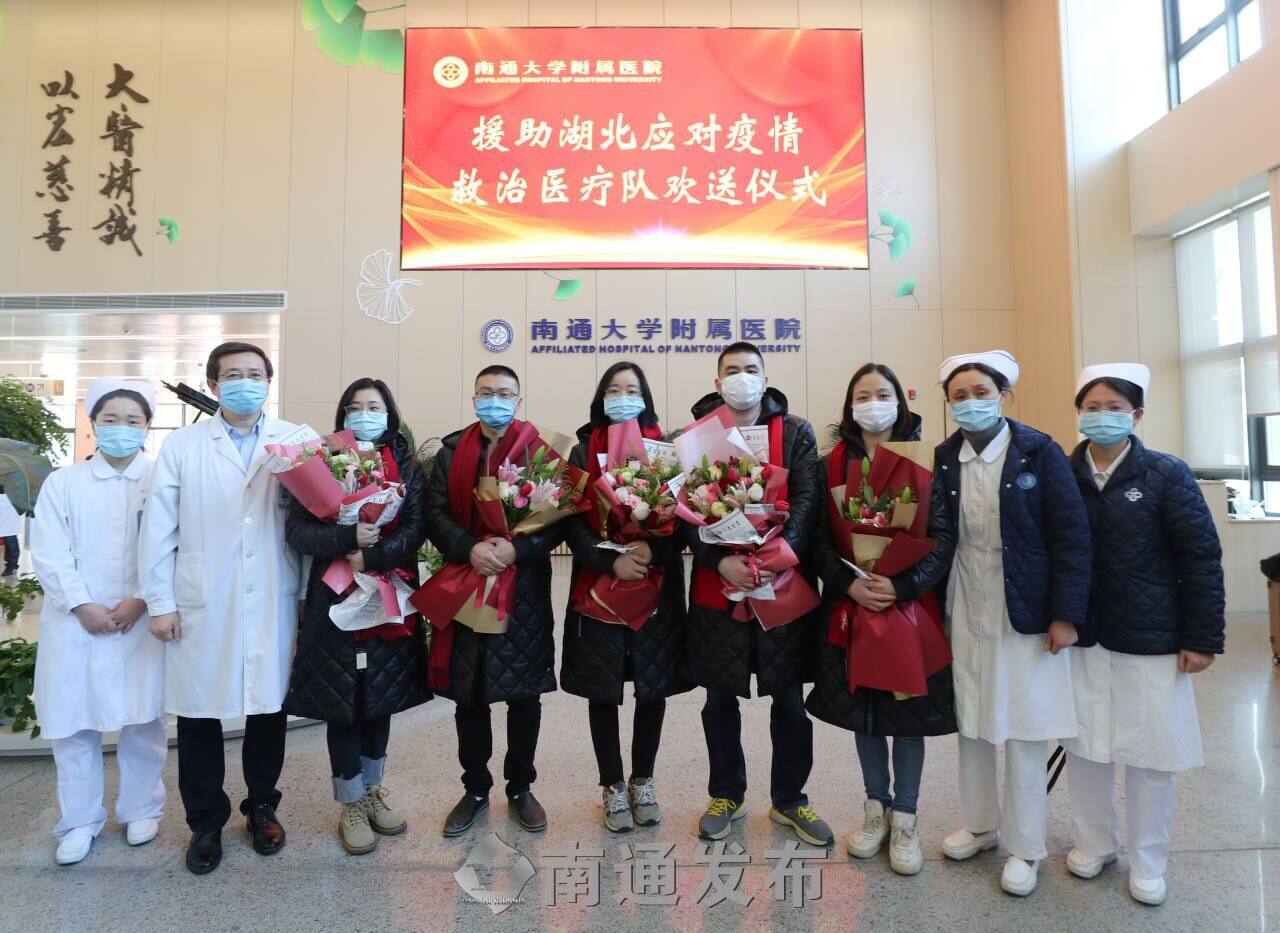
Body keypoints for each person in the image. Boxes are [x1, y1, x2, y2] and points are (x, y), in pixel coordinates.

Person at [912, 350, 1090, 897]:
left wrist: (1065, 615)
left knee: (1025, 726)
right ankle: (980, 825)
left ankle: (1026, 846)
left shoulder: (1039, 451)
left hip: (1025, 602)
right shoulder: (946, 455)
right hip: (965, 596)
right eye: (959, 396)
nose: (970, 403)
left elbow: (1071, 536)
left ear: (1003, 395)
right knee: (972, 718)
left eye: (981, 393)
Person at [1062, 363, 1225, 907]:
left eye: (1114, 408)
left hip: (1152, 635)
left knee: (1152, 754)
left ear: (1136, 415)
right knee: (1086, 745)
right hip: (1084, 634)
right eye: (1092, 407)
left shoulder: (1166, 474)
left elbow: (1199, 557)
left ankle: (1149, 861)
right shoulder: (1063, 472)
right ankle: (1094, 844)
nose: (1102, 416)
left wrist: (1203, 636)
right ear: (1079, 413)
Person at [139, 342, 301, 875]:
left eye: (255, 374)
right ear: (212, 385)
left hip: (273, 590)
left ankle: (262, 807)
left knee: (268, 707)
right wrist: (160, 603)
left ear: (269, 382)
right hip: (201, 597)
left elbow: (311, 527)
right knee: (199, 713)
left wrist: (305, 599)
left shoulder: (294, 441)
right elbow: (158, 530)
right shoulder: (183, 446)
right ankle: (205, 822)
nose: (245, 383)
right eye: (233, 375)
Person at [806, 363, 956, 875]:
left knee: (907, 714)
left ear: (901, 401)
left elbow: (942, 537)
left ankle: (907, 817)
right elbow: (819, 540)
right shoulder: (830, 466)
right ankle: (876, 809)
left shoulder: (926, 460)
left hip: (910, 609)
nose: (874, 404)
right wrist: (847, 583)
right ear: (850, 407)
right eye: (863, 395)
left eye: (883, 394)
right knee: (865, 713)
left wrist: (903, 586)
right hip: (852, 607)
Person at [682, 341, 832, 847]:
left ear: (765, 379)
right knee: (719, 698)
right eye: (732, 370)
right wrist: (718, 559)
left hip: (780, 580)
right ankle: (726, 795)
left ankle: (790, 799)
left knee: (788, 699)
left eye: (751, 369)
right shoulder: (698, 436)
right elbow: (684, 513)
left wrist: (773, 558)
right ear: (717, 380)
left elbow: (807, 501)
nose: (741, 377)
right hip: (718, 584)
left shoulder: (795, 432)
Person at [283, 378, 431, 855]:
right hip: (334, 597)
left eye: (374, 406)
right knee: (343, 700)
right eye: (355, 406)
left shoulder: (406, 465)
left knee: (380, 697)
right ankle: (349, 800)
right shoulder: (322, 461)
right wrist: (346, 541)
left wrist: (377, 555)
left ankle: (372, 789)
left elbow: (416, 526)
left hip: (387, 594)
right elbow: (298, 532)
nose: (365, 414)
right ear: (343, 415)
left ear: (390, 415)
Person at [423, 365, 566, 837]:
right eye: (486, 393)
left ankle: (521, 787)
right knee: (471, 693)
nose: (495, 401)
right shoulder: (451, 452)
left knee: (523, 694)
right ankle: (475, 788)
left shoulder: (541, 453)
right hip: (468, 579)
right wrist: (470, 547)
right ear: (474, 399)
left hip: (522, 591)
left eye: (504, 393)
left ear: (518, 401)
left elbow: (559, 521)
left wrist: (516, 549)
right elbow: (434, 514)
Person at [30, 378, 166, 866]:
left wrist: (141, 599)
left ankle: (141, 809)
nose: (121, 428)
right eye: (111, 420)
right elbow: (48, 549)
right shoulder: (64, 482)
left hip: (141, 617)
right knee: (73, 723)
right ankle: (79, 821)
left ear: (147, 427)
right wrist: (80, 604)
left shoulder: (161, 480)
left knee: (144, 718)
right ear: (93, 425)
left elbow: (172, 545)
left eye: (133, 420)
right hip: (75, 622)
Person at [561, 361, 689, 832]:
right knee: (603, 688)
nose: (622, 397)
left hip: (656, 588)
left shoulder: (668, 453)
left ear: (646, 398)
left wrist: (653, 548)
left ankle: (643, 780)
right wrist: (609, 559)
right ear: (601, 399)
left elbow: (688, 522)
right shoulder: (581, 451)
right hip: (600, 588)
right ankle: (612, 784)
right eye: (613, 390)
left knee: (652, 687)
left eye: (632, 389)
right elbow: (569, 521)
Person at [0, 490, 20, 578]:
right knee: (7, 539)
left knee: (10, 539)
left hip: (9, 506)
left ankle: (12, 566)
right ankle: (11, 565)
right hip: (3, 507)